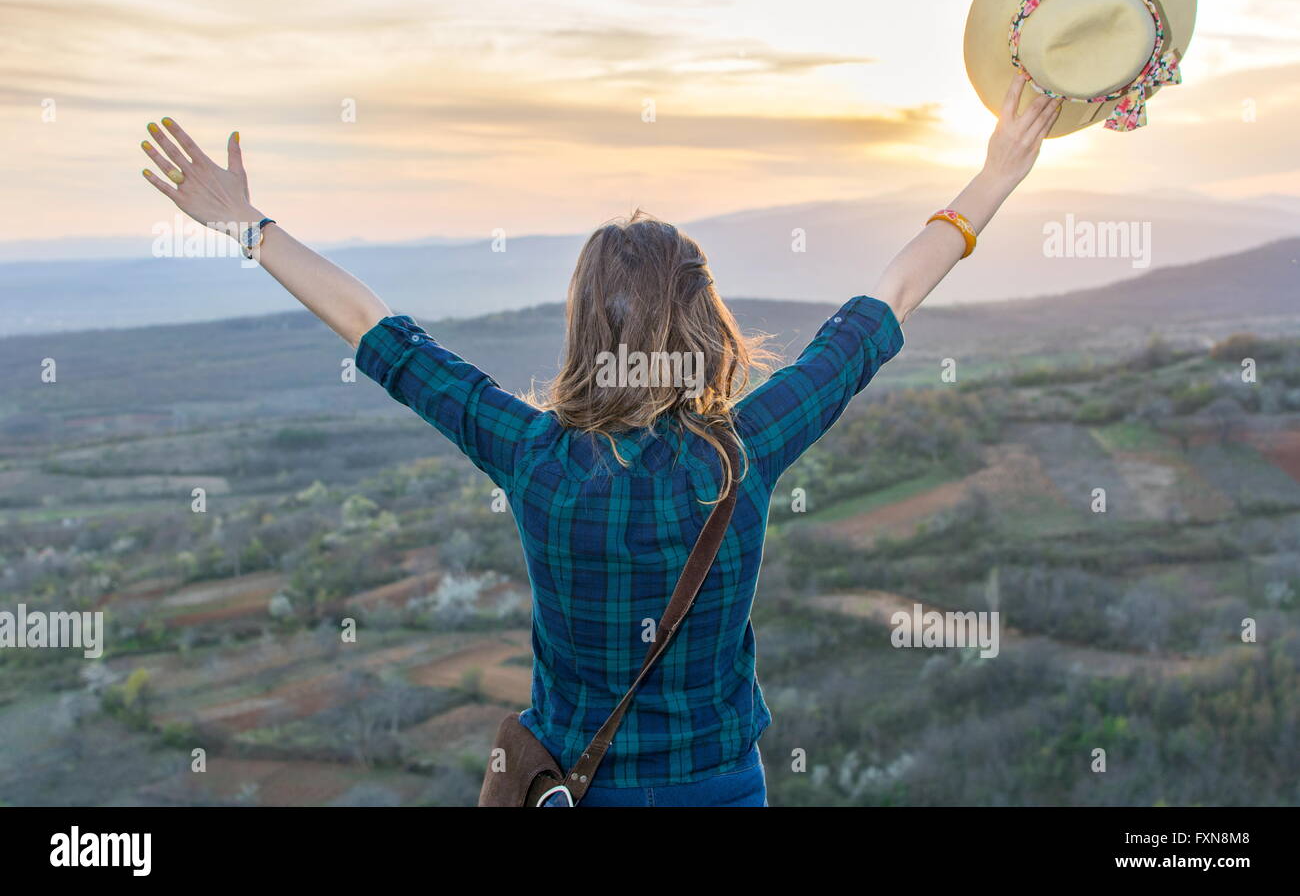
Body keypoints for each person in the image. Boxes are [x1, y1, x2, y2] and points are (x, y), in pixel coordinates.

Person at [138, 75, 1061, 806]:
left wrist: (246, 227)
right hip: (718, 790)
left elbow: (375, 329)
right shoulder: (745, 450)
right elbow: (887, 303)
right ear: (702, 322)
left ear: (581, 324)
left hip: (568, 791)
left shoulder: (531, 456)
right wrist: (997, 174)